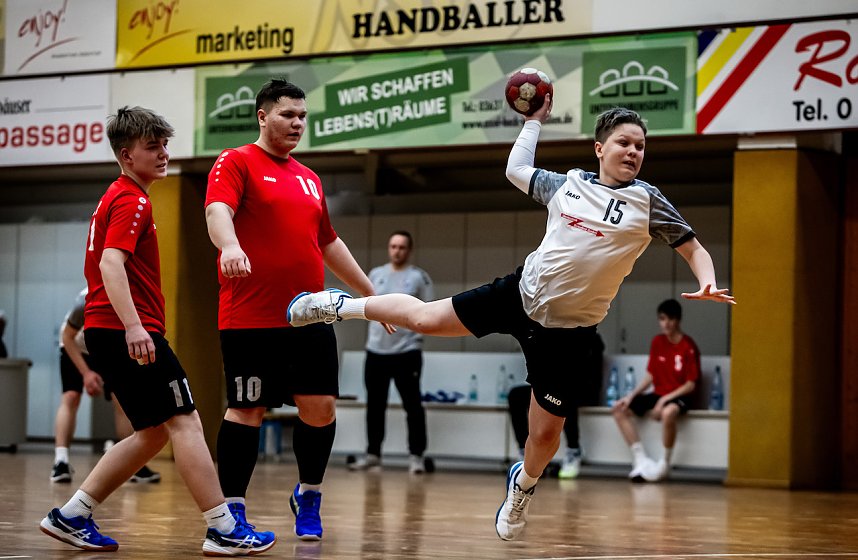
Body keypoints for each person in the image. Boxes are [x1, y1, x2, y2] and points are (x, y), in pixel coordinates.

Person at [287, 101, 736, 541]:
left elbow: (692, 246)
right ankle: (335, 306)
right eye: (624, 143)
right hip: (519, 295)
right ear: (600, 148)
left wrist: (709, 280)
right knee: (424, 318)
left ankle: (522, 488)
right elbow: (516, 169)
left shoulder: (648, 202)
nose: (634, 152)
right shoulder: (568, 185)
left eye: (640, 146)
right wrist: (533, 122)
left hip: (569, 332)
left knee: (544, 437)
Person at [39, 106, 275, 555]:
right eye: (153, 146)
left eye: (166, 144)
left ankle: (71, 515)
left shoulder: (118, 195)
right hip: (126, 331)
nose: (164, 153)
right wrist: (134, 328)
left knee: (150, 433)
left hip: (110, 331)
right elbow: (112, 264)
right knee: (186, 420)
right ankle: (222, 526)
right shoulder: (132, 199)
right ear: (126, 155)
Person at [205, 79, 381, 542]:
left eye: (303, 116)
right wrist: (229, 246)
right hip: (250, 318)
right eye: (288, 115)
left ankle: (308, 495)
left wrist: (371, 295)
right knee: (247, 410)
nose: (298, 123)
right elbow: (217, 210)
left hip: (311, 315)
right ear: (263, 116)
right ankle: (233, 512)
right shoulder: (236, 160)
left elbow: (328, 241)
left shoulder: (309, 177)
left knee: (320, 408)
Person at [50, 288, 160, 484]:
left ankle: (134, 463)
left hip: (107, 347)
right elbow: (67, 337)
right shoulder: (86, 300)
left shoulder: (136, 296)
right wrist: (86, 373)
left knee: (122, 401)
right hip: (75, 346)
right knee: (71, 397)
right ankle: (61, 462)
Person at [349, 231, 434, 474]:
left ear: (409, 250)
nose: (397, 251)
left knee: (412, 405)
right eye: (393, 246)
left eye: (402, 247)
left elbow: (429, 311)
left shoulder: (419, 278)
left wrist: (415, 338)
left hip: (406, 352)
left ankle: (416, 456)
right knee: (375, 405)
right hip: (376, 352)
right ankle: (373, 454)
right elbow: (367, 306)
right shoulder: (375, 274)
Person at [611, 298, 700, 483]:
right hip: (659, 394)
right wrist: (630, 396)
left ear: (678, 320)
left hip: (679, 395)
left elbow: (690, 384)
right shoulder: (658, 342)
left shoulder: (688, 346)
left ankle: (665, 464)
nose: (666, 323)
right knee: (619, 409)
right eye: (662, 319)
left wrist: (664, 400)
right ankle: (640, 459)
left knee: (668, 412)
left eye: (670, 319)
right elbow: (650, 376)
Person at [508, 332, 604, 479]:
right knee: (516, 395)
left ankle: (574, 450)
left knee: (566, 393)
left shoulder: (590, 336)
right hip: (556, 387)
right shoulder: (551, 334)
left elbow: (582, 372)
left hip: (584, 389)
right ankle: (524, 452)